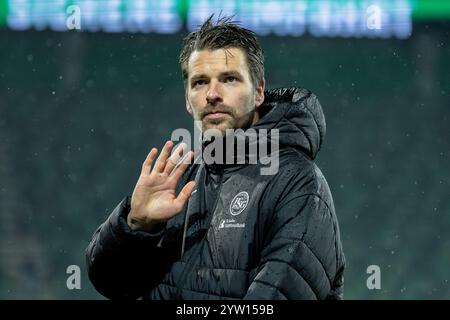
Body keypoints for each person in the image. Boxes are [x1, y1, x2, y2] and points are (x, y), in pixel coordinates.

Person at [86, 15, 345, 300]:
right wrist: (136, 224)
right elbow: (111, 283)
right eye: (199, 83)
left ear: (258, 92)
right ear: (187, 100)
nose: (212, 94)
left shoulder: (297, 182)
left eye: (229, 79)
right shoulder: (178, 180)